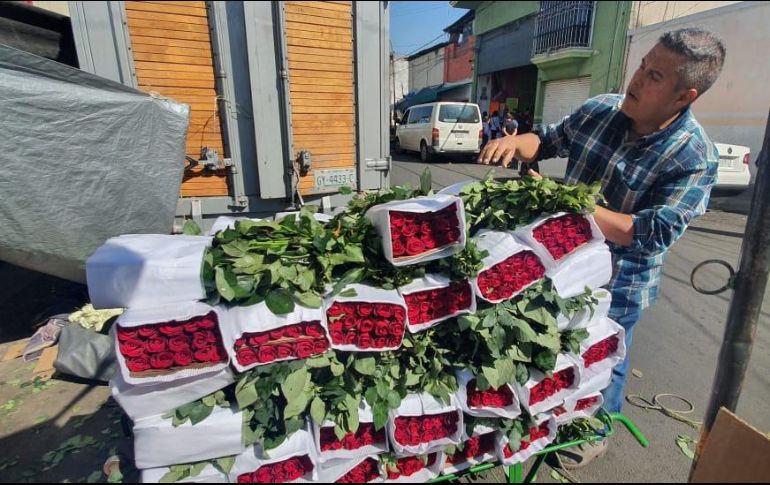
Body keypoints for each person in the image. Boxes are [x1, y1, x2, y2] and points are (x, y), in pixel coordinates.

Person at [478, 28, 725, 468]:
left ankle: (597, 428)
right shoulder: (602, 109)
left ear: (683, 97)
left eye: (654, 76)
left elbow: (653, 231)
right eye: (642, 66)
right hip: (560, 264)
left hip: (620, 283)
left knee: (604, 357)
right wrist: (519, 143)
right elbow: (549, 140)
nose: (636, 80)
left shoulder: (693, 156)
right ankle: (550, 410)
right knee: (557, 347)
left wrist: (574, 207)